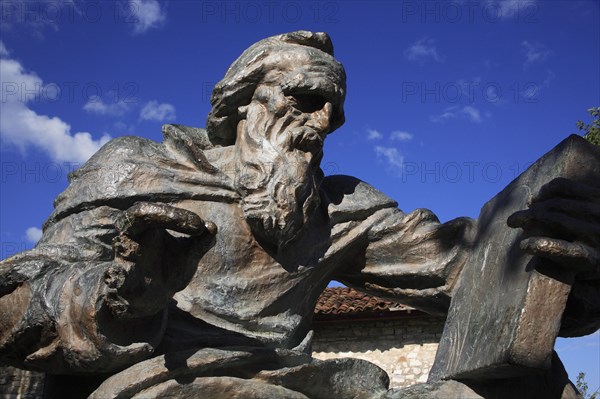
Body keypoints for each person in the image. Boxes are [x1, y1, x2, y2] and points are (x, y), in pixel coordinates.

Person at [0, 31, 598, 398]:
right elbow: (18, 302)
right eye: (305, 100)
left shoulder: (337, 206)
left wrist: (562, 255)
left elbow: (471, 272)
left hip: (296, 381)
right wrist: (120, 292)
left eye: (332, 115)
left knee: (533, 385)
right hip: (161, 380)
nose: (319, 125)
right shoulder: (138, 167)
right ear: (241, 101)